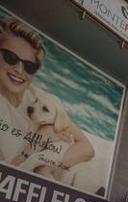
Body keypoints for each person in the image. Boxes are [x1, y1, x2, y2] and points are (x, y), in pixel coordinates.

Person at [0, 17, 94, 183]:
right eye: (10, 57)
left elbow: (86, 148)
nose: (19, 70)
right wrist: (31, 151)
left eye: (29, 66)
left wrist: (48, 165)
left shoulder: (40, 98)